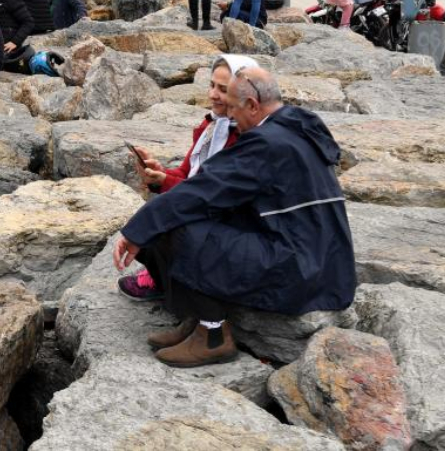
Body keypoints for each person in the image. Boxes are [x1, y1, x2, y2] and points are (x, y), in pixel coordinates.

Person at [112, 67, 356, 368]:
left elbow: (203, 191)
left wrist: (135, 232)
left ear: (253, 105)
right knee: (172, 216)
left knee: (179, 229)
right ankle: (197, 319)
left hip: (300, 267)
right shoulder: (294, 127)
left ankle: (214, 336)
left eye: (234, 109)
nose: (230, 119)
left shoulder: (267, 142)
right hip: (318, 259)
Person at [120, 55, 259, 302]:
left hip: (229, 226)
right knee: (148, 223)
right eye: (212, 85)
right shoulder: (211, 128)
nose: (213, 95)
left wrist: (164, 182)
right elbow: (187, 175)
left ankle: (172, 286)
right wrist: (159, 174)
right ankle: (167, 276)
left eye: (223, 89)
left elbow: (207, 197)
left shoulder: (245, 141)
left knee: (156, 228)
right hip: (205, 209)